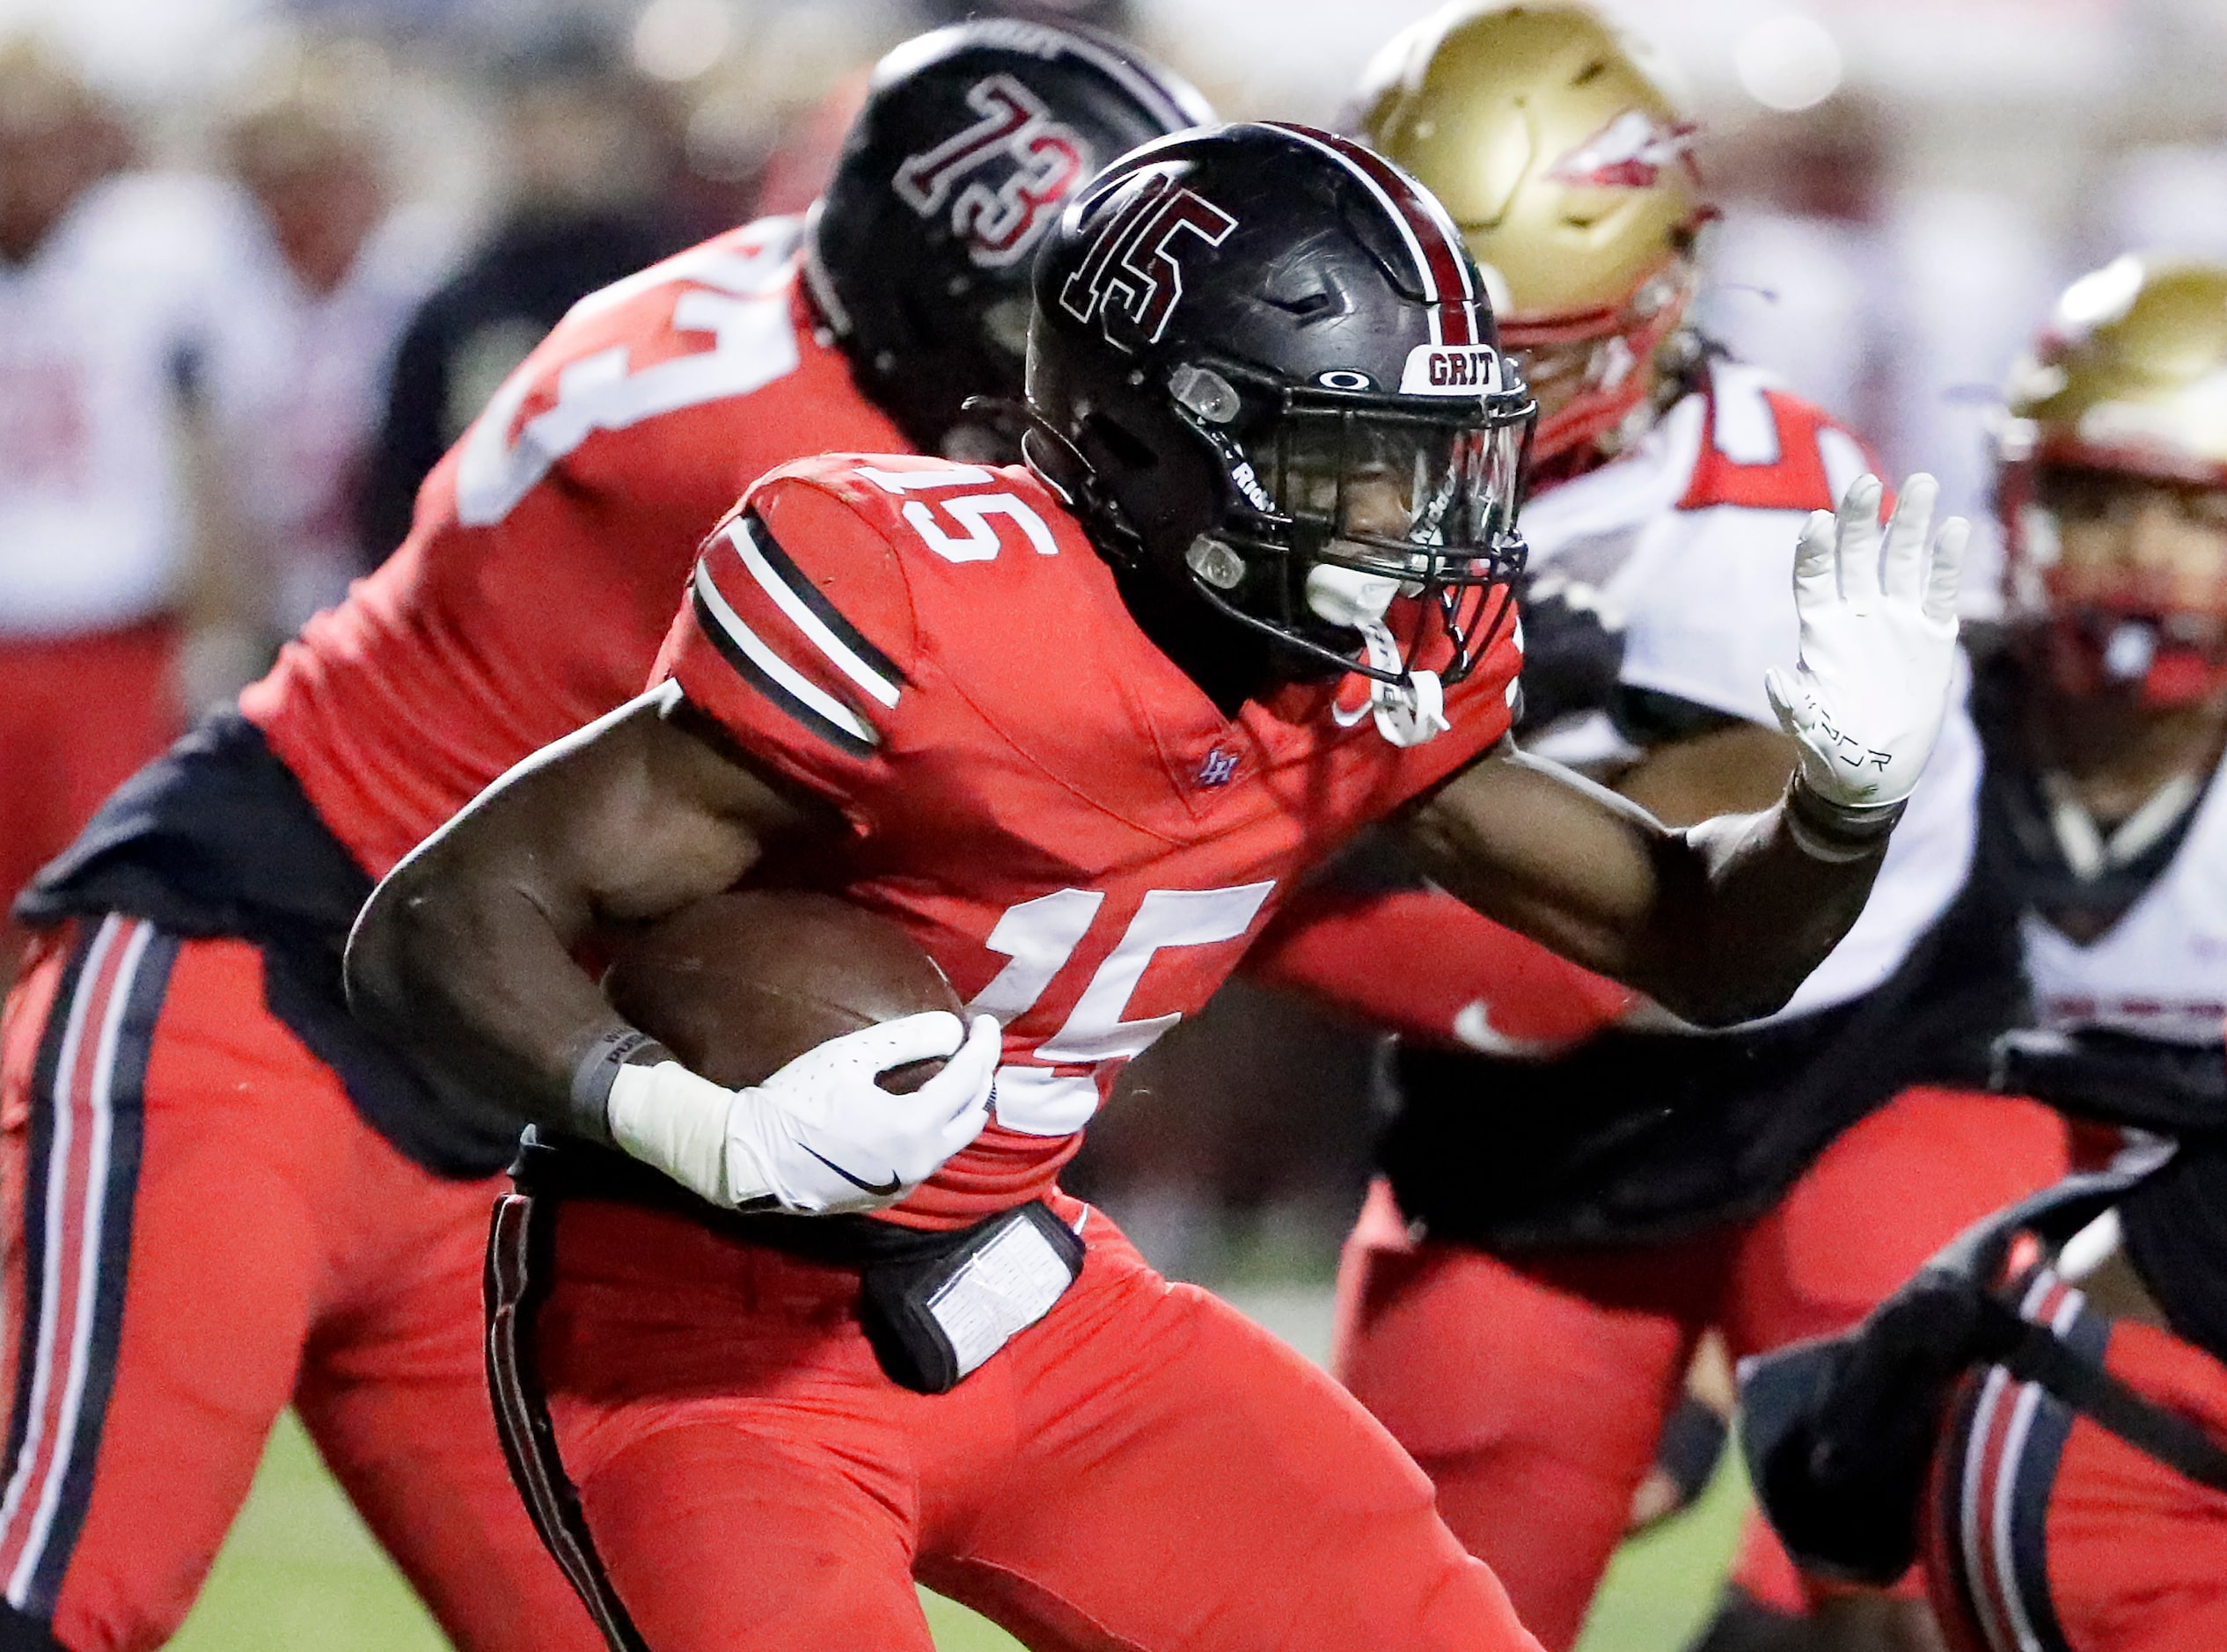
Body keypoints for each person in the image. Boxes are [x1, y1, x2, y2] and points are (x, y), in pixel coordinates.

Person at [348, 117, 1967, 1652]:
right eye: (1350, 461)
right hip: (698, 1326)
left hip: (1031, 1284)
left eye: (1431, 458)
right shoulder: (919, 604)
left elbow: (1699, 948)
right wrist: (687, 1116)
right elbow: (435, 924)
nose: (1414, 523)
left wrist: (1837, 805)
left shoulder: (1367, 661)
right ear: (1148, 441)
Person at [0, 23, 1205, 1652]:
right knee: (62, 1592)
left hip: (502, 1068)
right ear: (937, 299)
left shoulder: (797, 314)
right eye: (1043, 327)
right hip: (260, 989)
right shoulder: (793, 463)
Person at [1229, 9, 2067, 1649]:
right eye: (1400, 321)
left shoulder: (1758, 521)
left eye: (1504, 346)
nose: (1437, 387)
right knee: (1407, 1603)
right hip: (1537, 1126)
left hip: (1849, 1060)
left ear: (1655, 304)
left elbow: (1644, 938)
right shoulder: (1278, 442)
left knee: (1904, 1581)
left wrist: (1207, 885)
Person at [1741, 254, 2227, 1652]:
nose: (2139, 553)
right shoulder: (1921, 723)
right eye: (2091, 498)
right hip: (2010, 1306)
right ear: (2017, 496)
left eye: (2194, 512)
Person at [0, 40, 263, 996]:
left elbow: (211, 452)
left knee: (107, 927)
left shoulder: (158, 255)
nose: (21, 172)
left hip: (114, 642)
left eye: (39, 143)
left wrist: (222, 624)